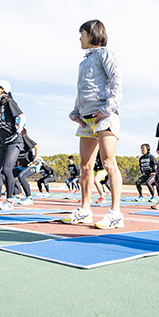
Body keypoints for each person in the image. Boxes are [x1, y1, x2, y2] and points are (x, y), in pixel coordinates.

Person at [62, 19, 124, 229]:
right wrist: (76, 110)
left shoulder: (105, 54)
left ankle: (116, 213)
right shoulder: (83, 61)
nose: (80, 38)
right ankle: (85, 210)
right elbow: (83, 89)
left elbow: (116, 81)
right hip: (86, 119)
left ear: (92, 34)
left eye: (82, 34)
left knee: (108, 162)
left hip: (104, 116)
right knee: (86, 166)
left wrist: (107, 109)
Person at [0, 79, 25, 209]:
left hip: (14, 142)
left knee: (7, 169)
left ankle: (10, 201)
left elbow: (22, 117)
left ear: (2, 89)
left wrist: (17, 132)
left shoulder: (8, 101)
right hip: (3, 143)